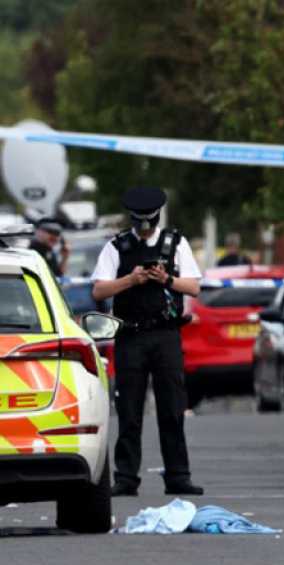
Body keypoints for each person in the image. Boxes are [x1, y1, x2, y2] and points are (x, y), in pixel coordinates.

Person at [91, 187, 204, 497]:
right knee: (129, 410)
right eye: (140, 224)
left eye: (149, 224)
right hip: (130, 336)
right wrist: (132, 279)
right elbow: (99, 291)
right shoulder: (117, 247)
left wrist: (165, 279)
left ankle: (178, 476)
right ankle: (126, 478)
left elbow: (193, 288)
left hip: (166, 334)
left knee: (172, 408)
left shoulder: (175, 244)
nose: (144, 230)